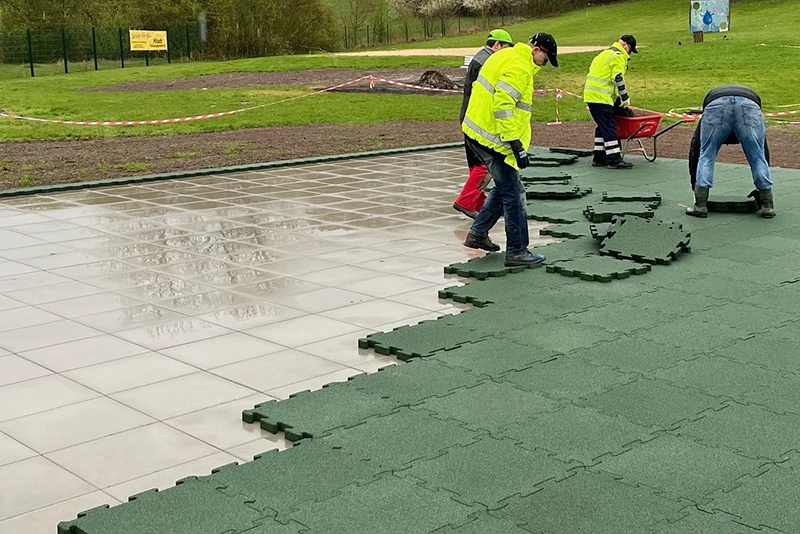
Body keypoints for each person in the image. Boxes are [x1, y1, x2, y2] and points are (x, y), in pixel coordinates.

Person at [461, 33, 559, 267]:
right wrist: (515, 144)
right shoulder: (520, 67)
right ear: (536, 50)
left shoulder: (507, 55)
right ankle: (517, 251)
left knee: (504, 186)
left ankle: (478, 233)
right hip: (493, 138)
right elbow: (503, 104)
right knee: (514, 193)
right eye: (545, 59)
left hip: (478, 130)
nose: (544, 65)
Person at [686, 85, 774, 218]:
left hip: (715, 104)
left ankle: (700, 206)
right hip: (750, 104)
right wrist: (760, 192)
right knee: (757, 157)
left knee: (706, 156)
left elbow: (696, 151)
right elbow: (763, 152)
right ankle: (767, 207)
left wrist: (695, 186)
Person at [453, 29, 514, 219]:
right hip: (478, 120)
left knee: (476, 164)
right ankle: (466, 201)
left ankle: (478, 201)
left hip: (469, 117)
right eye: (506, 48)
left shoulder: (480, 57)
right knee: (484, 166)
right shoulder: (487, 61)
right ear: (496, 45)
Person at [584, 35, 638, 169]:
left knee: (602, 126)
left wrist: (616, 98)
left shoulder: (603, 54)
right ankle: (614, 159)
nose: (629, 54)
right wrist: (624, 97)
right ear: (625, 45)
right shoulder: (618, 56)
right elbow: (618, 77)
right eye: (630, 50)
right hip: (602, 98)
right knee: (609, 127)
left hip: (590, 96)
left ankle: (599, 156)